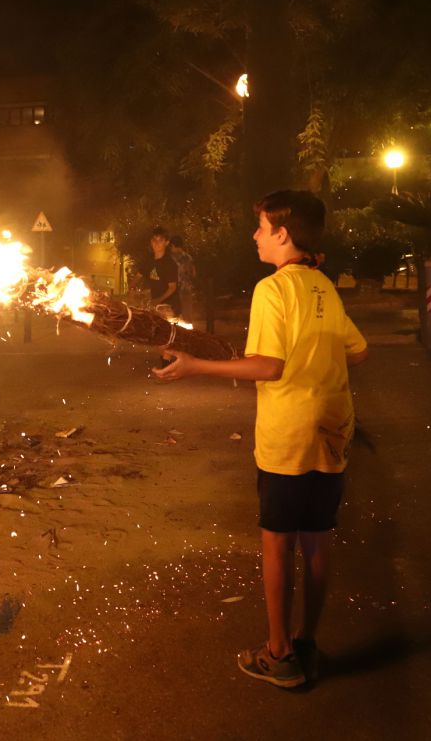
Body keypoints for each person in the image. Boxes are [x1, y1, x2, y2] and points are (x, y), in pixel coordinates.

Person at [154, 190, 368, 689]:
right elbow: (356, 351)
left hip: (289, 433)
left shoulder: (274, 289)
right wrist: (317, 367)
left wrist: (195, 366)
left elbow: (267, 367)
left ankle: (278, 653)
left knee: (277, 544)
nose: (254, 235)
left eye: (261, 227)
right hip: (333, 429)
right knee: (317, 541)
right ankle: (307, 642)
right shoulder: (323, 286)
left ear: (282, 234)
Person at [145, 227, 181, 316]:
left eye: (160, 240)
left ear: (166, 242)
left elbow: (172, 287)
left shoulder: (169, 263)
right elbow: (141, 276)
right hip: (156, 306)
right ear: (151, 241)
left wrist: (158, 300)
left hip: (169, 307)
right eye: (154, 240)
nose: (156, 243)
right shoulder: (150, 260)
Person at [168, 235, 198, 322]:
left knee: (173, 317)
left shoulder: (171, 259)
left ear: (173, 245)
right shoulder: (189, 258)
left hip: (174, 291)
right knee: (187, 317)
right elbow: (193, 274)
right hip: (187, 289)